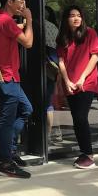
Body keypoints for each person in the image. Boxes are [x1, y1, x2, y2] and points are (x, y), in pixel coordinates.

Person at [0, 0, 34, 179]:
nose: (23, 5)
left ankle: (9, 150)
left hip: (3, 77)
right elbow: (28, 42)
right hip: (7, 77)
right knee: (6, 122)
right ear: (10, 2)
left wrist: (21, 22)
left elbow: (11, 31)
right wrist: (29, 19)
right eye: (20, 2)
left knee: (26, 109)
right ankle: (5, 161)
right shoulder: (6, 21)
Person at [57, 5, 98, 169]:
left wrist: (82, 78)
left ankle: (88, 154)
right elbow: (61, 61)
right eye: (72, 15)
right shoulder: (63, 37)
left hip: (87, 82)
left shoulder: (90, 33)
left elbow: (95, 57)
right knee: (76, 119)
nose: (76, 18)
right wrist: (67, 81)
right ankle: (84, 153)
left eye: (79, 15)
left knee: (80, 117)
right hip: (70, 83)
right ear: (66, 19)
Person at [43, 7, 61, 144]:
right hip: (52, 68)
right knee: (49, 103)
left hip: (41, 66)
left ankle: (42, 135)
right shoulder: (54, 27)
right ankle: (48, 135)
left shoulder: (36, 25)